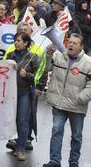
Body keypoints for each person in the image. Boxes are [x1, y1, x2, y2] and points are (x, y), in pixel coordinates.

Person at [43, 34, 91, 167]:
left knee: (76, 136)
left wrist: (80, 98)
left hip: (77, 106)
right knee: (56, 130)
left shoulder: (88, 62)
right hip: (59, 104)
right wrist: (48, 56)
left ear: (81, 47)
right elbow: (47, 69)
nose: (70, 45)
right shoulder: (58, 56)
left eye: (75, 43)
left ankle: (73, 161)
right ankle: (54, 161)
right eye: (69, 42)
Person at [6, 32, 39, 161]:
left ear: (25, 43)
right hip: (11, 92)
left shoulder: (33, 57)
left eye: (18, 40)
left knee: (23, 120)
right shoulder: (10, 55)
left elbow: (37, 77)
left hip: (24, 92)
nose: (15, 42)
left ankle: (20, 149)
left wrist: (27, 75)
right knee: (12, 120)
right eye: (15, 40)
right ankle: (17, 143)